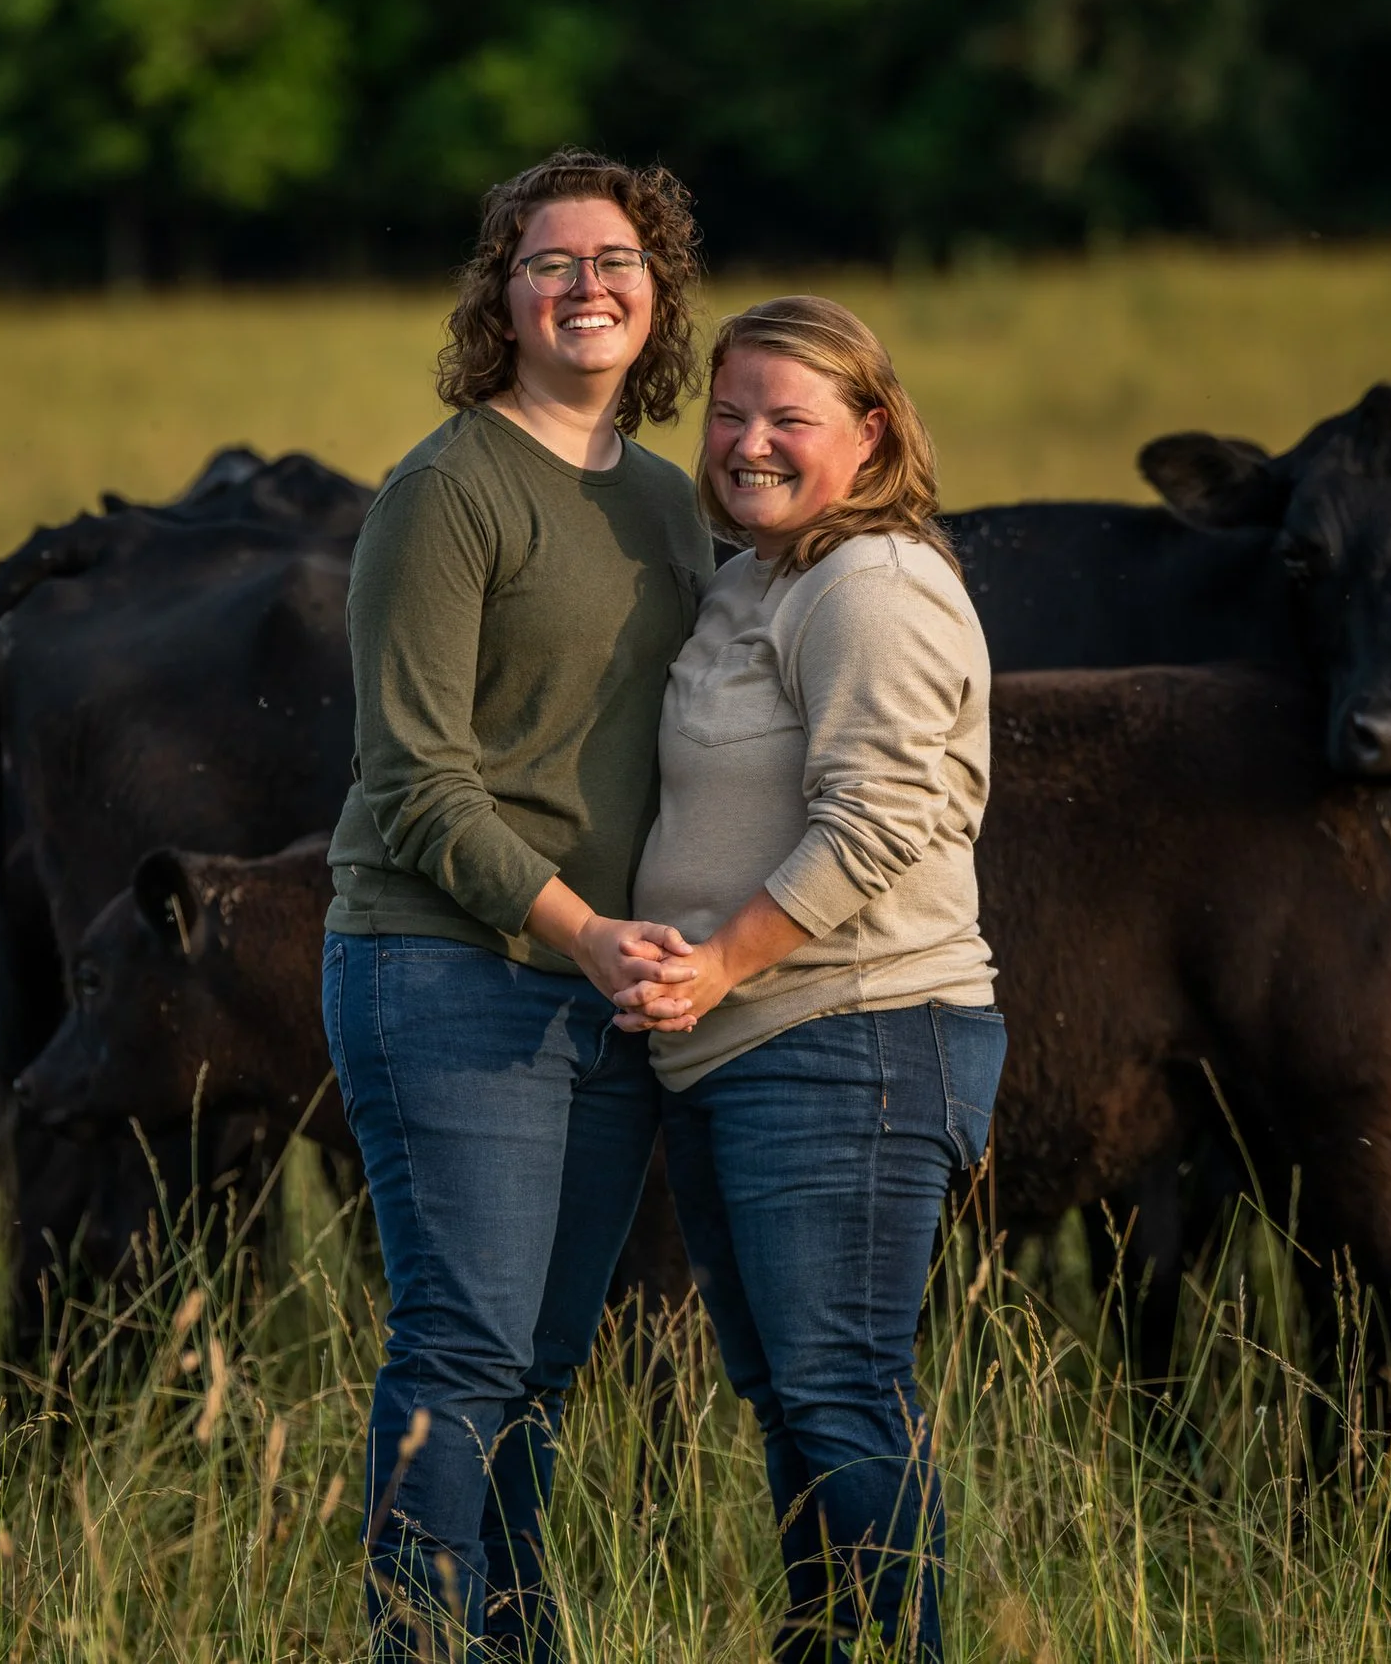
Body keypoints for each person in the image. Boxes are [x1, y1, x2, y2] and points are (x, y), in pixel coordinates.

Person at [318, 149, 713, 1661]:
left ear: (657, 292)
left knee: (546, 1359)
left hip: (606, 988)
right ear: (503, 298)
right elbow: (416, 779)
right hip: (449, 968)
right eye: (551, 262)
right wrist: (580, 928)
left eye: (616, 260)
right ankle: (417, 1642)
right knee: (464, 1339)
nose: (586, 285)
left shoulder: (674, 507)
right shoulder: (447, 491)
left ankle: (515, 1637)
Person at [619, 295, 1004, 1663]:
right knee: (792, 1399)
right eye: (730, 414)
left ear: (874, 429)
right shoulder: (757, 579)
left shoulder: (873, 583)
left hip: (851, 1031)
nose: (750, 441)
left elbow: (879, 818)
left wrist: (717, 960)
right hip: (741, 1047)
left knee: (838, 1389)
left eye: (790, 416)